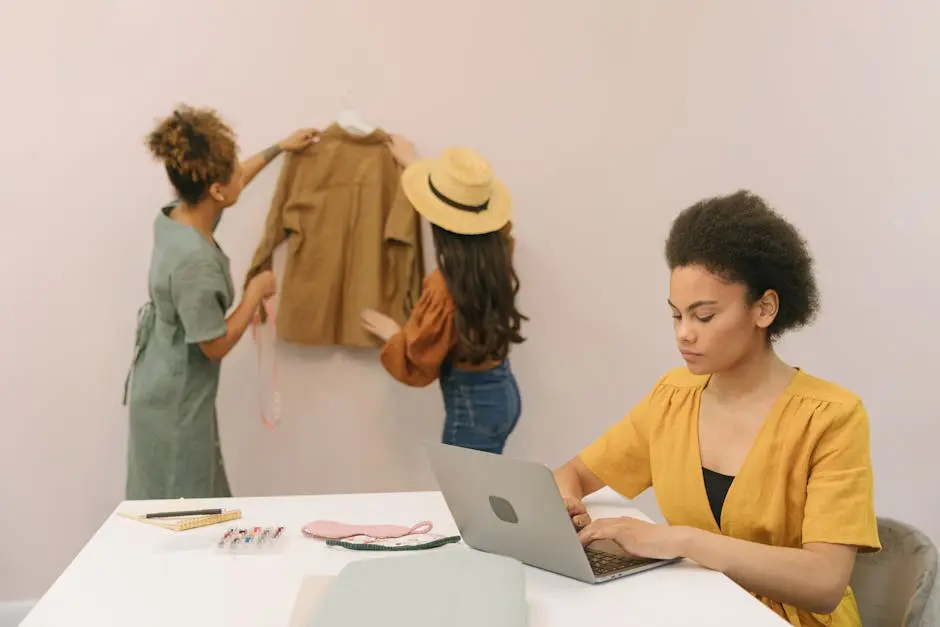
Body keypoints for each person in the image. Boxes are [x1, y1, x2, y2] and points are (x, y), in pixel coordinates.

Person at [553, 191, 879, 626]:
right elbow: (573, 472)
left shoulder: (831, 417)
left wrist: (680, 541)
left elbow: (824, 583)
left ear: (764, 308)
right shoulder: (673, 396)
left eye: (703, 317)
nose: (684, 334)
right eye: (676, 316)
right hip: (697, 609)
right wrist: (564, 501)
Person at [124, 104, 317, 499]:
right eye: (231, 172)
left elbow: (236, 178)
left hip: (161, 376)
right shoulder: (195, 261)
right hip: (175, 399)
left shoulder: (180, 216)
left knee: (193, 495)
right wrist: (252, 297)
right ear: (215, 190)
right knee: (182, 508)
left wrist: (281, 147)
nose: (239, 176)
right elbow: (212, 345)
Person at [361, 138, 525, 454]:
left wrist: (393, 335)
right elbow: (491, 224)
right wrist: (415, 166)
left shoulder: (444, 286)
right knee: (481, 490)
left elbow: (419, 363)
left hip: (473, 407)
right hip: (504, 393)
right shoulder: (499, 253)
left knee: (461, 497)